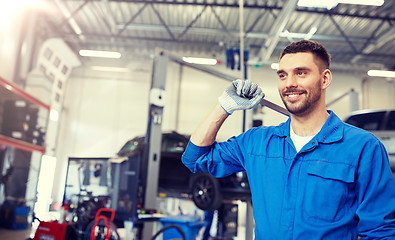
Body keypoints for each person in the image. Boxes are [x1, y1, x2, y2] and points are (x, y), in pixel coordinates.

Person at [181, 40, 395, 239]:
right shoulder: (257, 142)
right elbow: (195, 159)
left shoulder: (363, 148)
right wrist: (223, 106)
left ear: (325, 78)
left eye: (301, 73)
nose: (289, 83)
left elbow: (380, 231)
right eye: (282, 75)